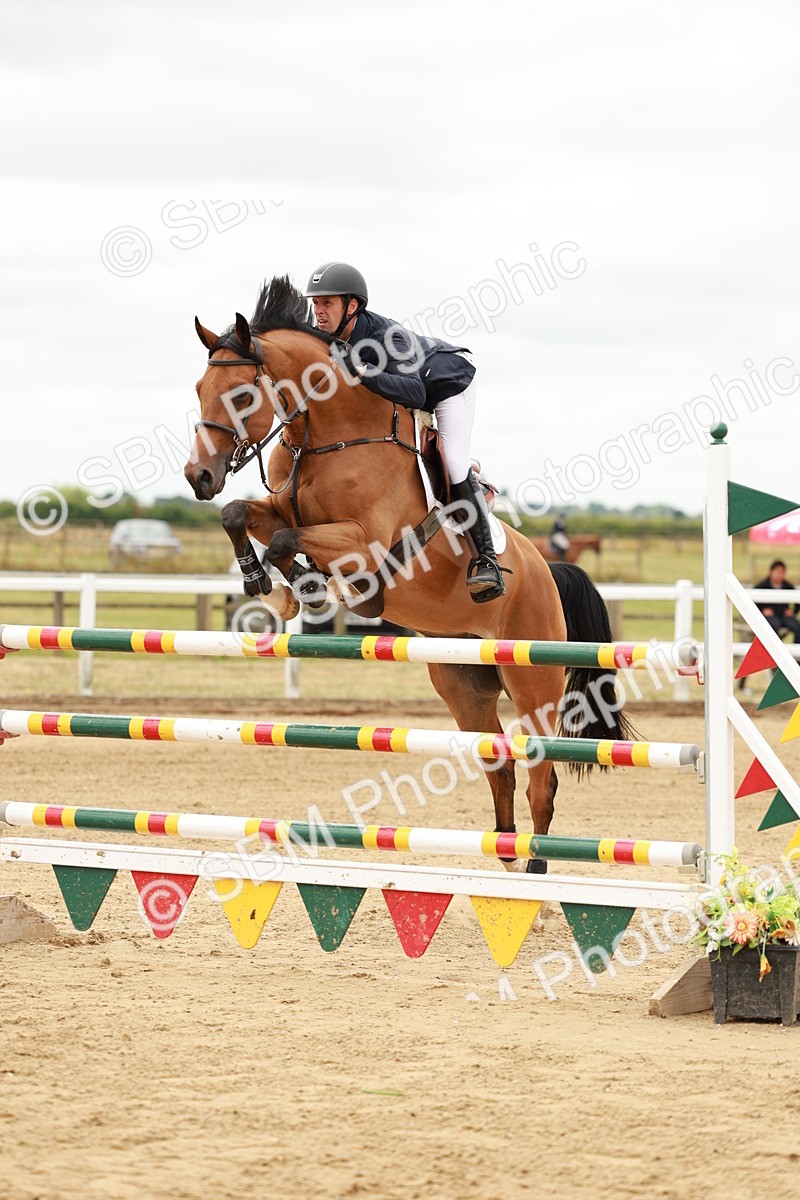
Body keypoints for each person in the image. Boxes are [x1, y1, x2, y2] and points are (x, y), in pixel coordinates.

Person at [305, 261, 506, 602]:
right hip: (408, 393)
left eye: (327, 303)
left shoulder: (387, 336)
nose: (319, 311)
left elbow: (415, 393)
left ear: (351, 306)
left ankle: (487, 561)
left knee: (454, 462)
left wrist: (363, 371)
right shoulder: (321, 334)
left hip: (445, 385)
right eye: (316, 303)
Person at [754, 560, 800, 642]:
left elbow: (797, 600)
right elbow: (753, 600)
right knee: (773, 626)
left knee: (797, 626)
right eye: (777, 572)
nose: (779, 575)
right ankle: (773, 652)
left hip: (783, 615)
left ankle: (796, 653)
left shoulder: (788, 586)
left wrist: (793, 611)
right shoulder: (762, 586)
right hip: (770, 616)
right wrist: (763, 610)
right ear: (770, 571)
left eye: (782, 572)